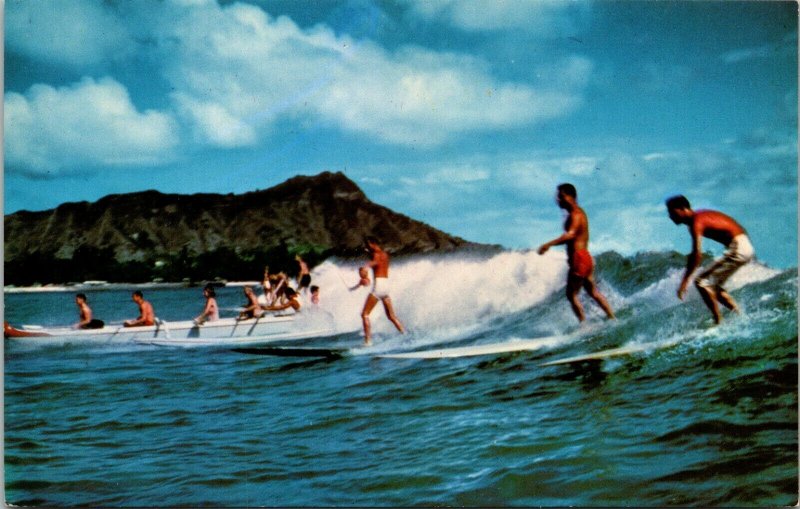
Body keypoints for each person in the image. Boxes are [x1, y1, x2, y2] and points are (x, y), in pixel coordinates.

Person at [666, 195, 754, 324]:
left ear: (682, 208)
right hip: (743, 245)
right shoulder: (698, 218)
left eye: (671, 212)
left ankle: (718, 321)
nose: (670, 216)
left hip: (739, 246)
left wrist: (684, 282)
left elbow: (697, 254)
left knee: (701, 282)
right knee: (713, 287)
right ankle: (740, 316)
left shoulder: (697, 221)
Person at [538, 183, 615, 323]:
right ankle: (612, 318)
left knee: (571, 294)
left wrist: (548, 245)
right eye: (558, 197)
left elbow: (570, 235)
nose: (559, 200)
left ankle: (584, 324)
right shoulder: (578, 213)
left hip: (579, 258)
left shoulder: (576, 214)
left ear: (572, 197)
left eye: (562, 197)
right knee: (592, 292)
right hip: (584, 257)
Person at [361, 236, 405, 345]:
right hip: (386, 285)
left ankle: (367, 343)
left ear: (372, 243)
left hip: (379, 286)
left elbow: (374, 262)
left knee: (365, 314)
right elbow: (378, 262)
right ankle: (405, 334)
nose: (366, 247)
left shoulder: (375, 255)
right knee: (392, 316)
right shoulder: (385, 254)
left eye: (367, 245)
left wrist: (364, 269)